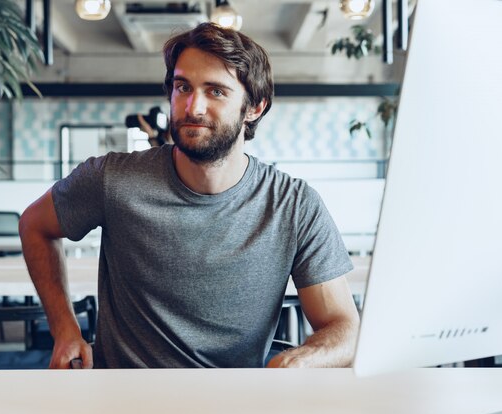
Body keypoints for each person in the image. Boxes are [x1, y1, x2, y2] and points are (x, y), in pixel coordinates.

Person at [19, 22, 360, 369]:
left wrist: (300, 361)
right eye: (183, 87)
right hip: (124, 399)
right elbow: (35, 225)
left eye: (216, 91)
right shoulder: (112, 179)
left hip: (235, 400)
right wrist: (64, 328)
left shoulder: (294, 205)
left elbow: (345, 329)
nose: (193, 107)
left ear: (254, 108)